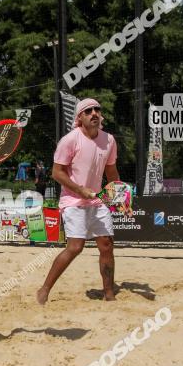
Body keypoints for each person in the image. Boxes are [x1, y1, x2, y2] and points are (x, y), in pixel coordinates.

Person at [37, 98, 119, 304]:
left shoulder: (109, 140)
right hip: (73, 200)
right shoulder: (70, 140)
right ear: (80, 117)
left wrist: (118, 191)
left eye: (97, 110)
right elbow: (57, 173)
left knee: (107, 244)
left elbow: (110, 170)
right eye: (88, 110)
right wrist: (80, 190)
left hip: (97, 201)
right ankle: (45, 289)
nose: (94, 113)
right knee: (75, 247)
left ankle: (109, 294)